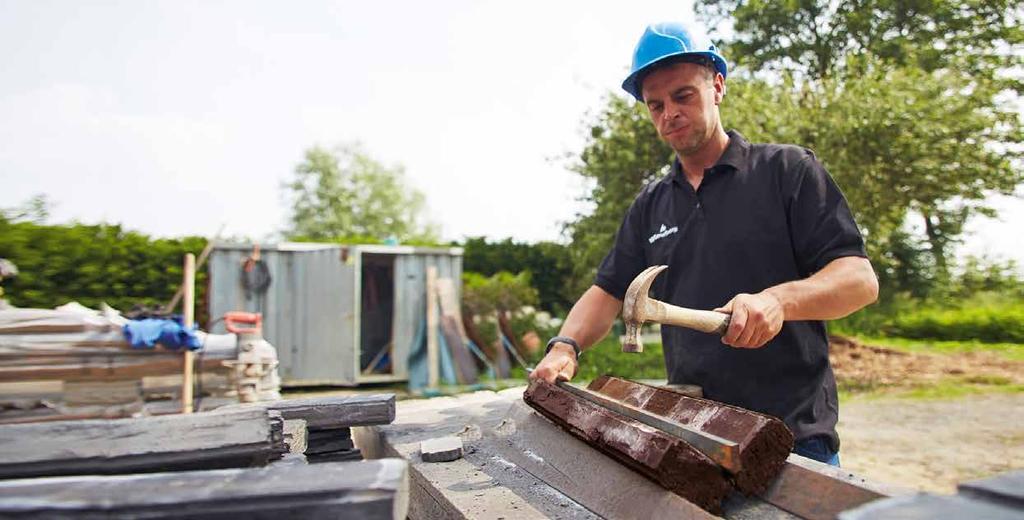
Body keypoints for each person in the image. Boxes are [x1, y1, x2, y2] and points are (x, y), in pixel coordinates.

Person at [529, 21, 879, 466]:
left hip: (792, 436)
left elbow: (858, 280)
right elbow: (609, 291)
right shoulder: (652, 204)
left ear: (717, 86)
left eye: (682, 96)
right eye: (655, 105)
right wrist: (566, 346)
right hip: (692, 430)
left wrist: (777, 301)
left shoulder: (787, 171)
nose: (668, 113)